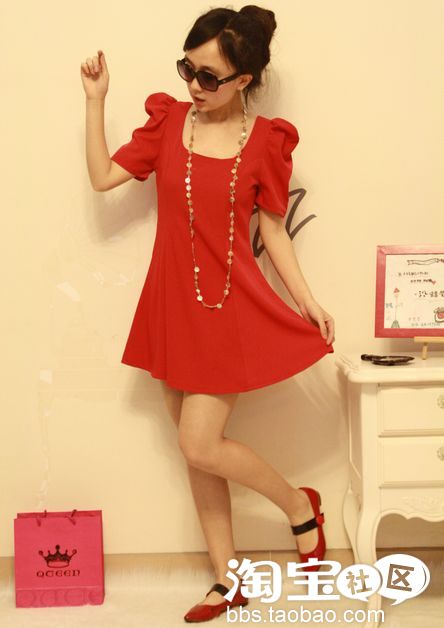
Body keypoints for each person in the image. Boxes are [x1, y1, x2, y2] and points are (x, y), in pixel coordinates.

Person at [81, 4, 335, 623]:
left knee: (199, 443)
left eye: (208, 77)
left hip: (228, 307)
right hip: (171, 306)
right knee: (197, 451)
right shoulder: (169, 123)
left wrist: (307, 299)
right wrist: (95, 101)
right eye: (187, 69)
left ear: (243, 80)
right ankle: (228, 579)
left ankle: (298, 504)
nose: (193, 85)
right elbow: (103, 178)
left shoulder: (266, 140)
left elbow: (272, 230)